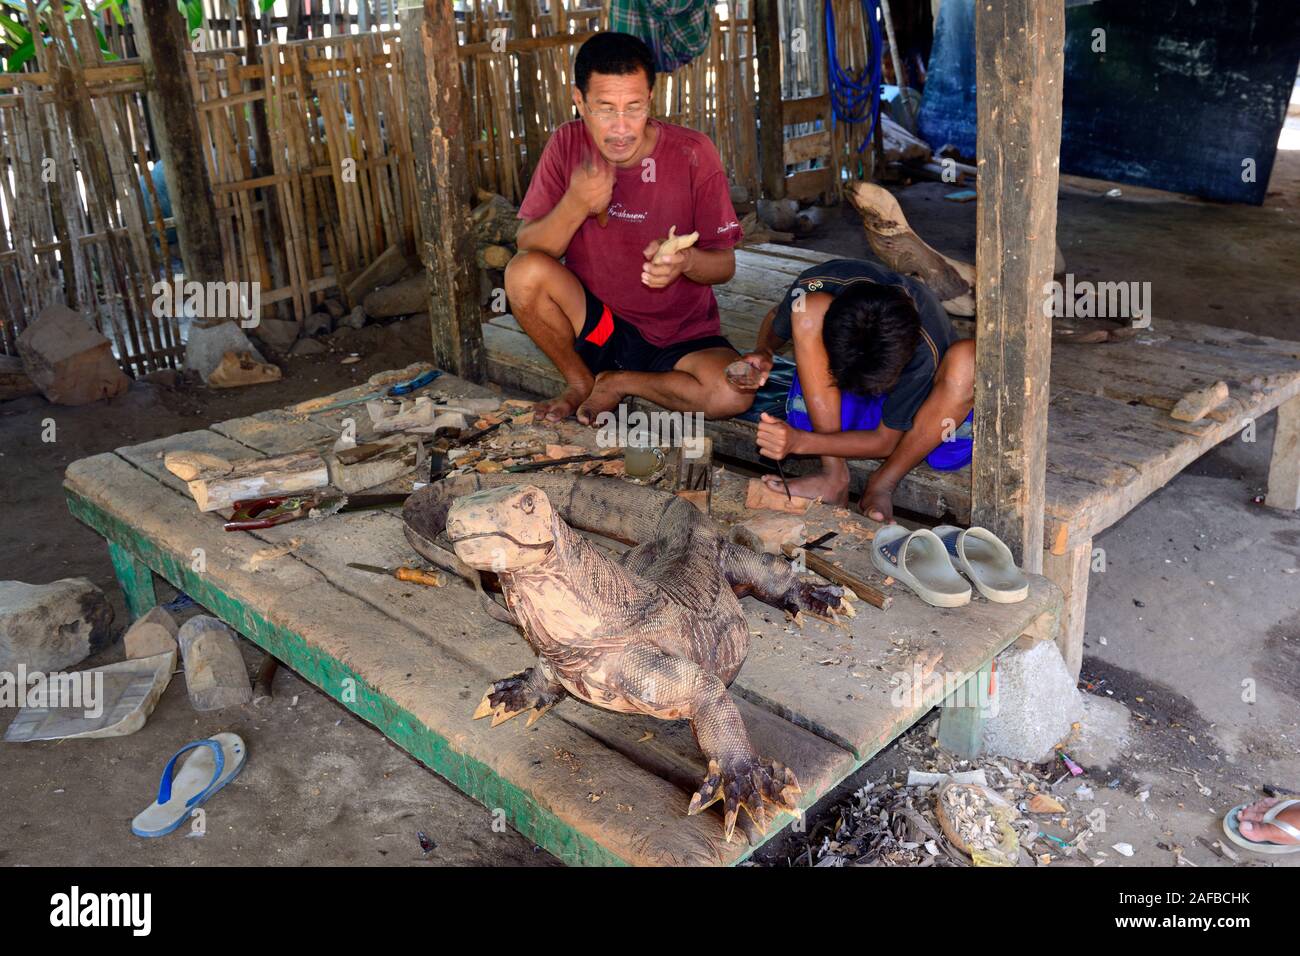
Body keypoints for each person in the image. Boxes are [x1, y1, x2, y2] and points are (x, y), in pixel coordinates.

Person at [505, 32, 748, 426]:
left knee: (731, 393)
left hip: (682, 338)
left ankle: (621, 382)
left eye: (633, 107)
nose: (621, 128)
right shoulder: (566, 144)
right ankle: (581, 381)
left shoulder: (693, 153)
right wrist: (576, 203)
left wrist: (685, 262)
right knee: (521, 273)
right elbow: (529, 246)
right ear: (579, 100)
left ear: (651, 98)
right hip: (600, 327)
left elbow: (725, 265)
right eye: (604, 108)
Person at [735, 259, 976, 524]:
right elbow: (776, 315)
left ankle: (883, 483)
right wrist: (765, 350)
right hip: (841, 400)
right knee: (808, 309)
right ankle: (833, 475)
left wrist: (800, 441)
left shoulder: (924, 349)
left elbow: (885, 441)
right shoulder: (814, 283)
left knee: (968, 360)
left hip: (919, 421)